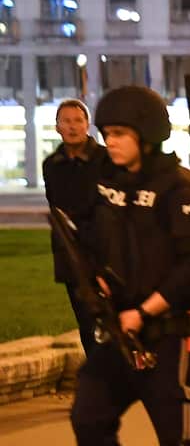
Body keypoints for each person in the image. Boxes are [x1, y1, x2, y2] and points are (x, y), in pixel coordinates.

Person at [67, 86, 190, 446]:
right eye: (107, 133)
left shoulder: (184, 188)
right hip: (118, 332)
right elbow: (93, 241)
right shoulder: (106, 183)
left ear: (146, 136)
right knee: (88, 417)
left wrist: (144, 310)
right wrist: (104, 286)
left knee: (175, 437)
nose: (110, 142)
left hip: (169, 333)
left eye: (121, 134)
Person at [43, 98, 108, 354]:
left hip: (103, 250)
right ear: (57, 127)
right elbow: (56, 205)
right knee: (85, 319)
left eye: (78, 120)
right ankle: (99, 377)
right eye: (66, 121)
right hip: (70, 253)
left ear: (87, 125)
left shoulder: (105, 160)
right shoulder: (52, 165)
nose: (72, 126)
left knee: (110, 318)